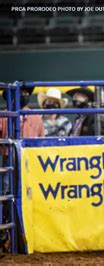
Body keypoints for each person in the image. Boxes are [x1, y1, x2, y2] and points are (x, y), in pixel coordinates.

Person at [0, 85, 44, 253]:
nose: (24, 96)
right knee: (6, 193)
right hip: (8, 158)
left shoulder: (35, 117)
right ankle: (5, 233)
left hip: (29, 159)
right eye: (22, 93)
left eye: (26, 93)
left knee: (23, 193)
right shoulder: (3, 115)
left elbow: (41, 140)